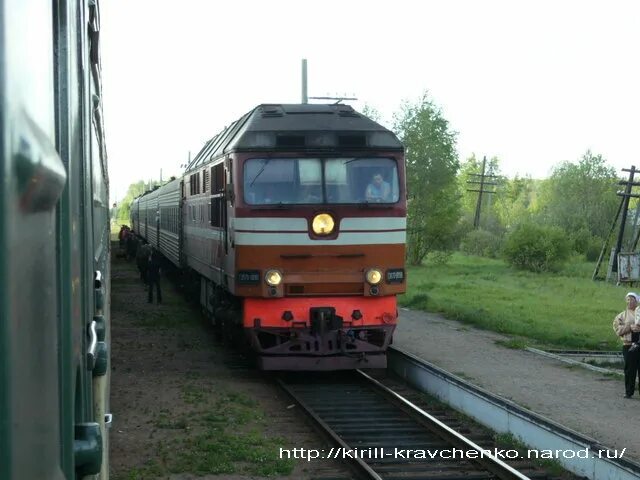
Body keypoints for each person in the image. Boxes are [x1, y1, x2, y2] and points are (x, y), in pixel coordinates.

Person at [613, 292, 640, 398]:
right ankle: (629, 391)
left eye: (632, 300)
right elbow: (618, 330)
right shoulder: (621, 316)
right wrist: (629, 327)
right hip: (628, 345)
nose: (629, 302)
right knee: (630, 369)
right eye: (628, 300)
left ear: (637, 301)